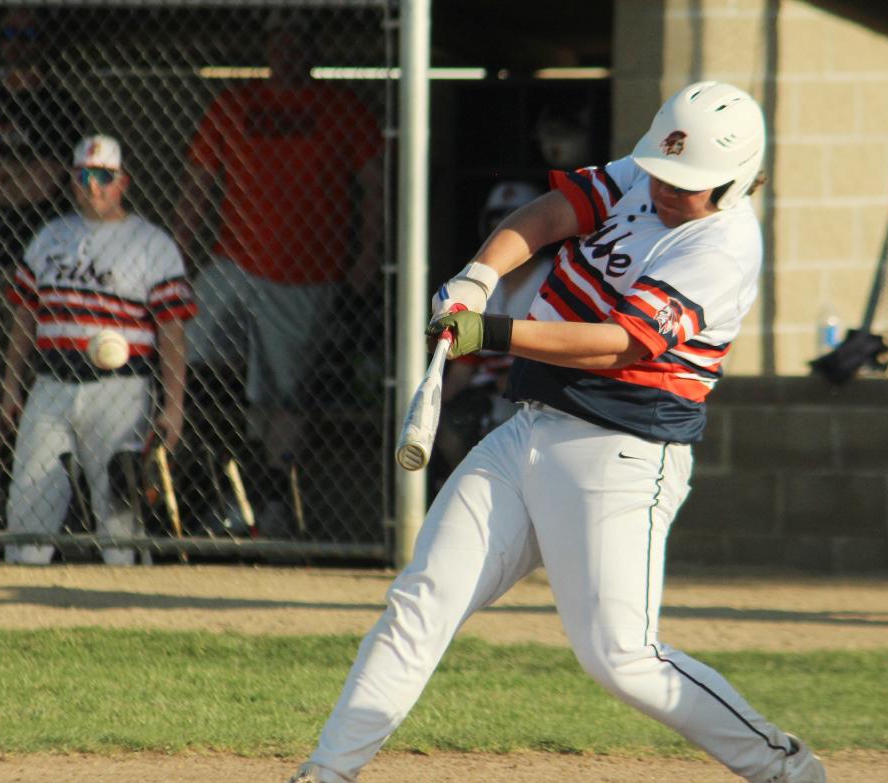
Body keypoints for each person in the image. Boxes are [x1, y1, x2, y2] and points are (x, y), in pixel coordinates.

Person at [288, 82, 827, 783]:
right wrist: (478, 277)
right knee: (421, 599)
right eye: (662, 174)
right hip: (529, 428)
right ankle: (327, 771)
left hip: (624, 453)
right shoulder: (651, 169)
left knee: (620, 656)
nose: (665, 190)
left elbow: (619, 344)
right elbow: (553, 213)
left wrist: (492, 330)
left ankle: (784, 767)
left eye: (686, 184)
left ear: (735, 181)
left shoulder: (723, 247)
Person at [173, 8, 383, 512]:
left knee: (284, 397)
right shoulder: (234, 103)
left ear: (313, 49)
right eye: (279, 41)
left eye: (298, 41)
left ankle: (269, 506)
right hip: (234, 261)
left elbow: (376, 187)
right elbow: (197, 187)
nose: (288, 51)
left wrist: (367, 255)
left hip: (306, 273)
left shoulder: (342, 107)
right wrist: (174, 254)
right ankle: (211, 480)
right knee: (192, 355)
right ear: (266, 48)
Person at [1, 135, 196, 565]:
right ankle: (23, 598)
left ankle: (125, 604)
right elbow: (23, 318)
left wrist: (174, 404)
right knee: (28, 501)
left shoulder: (152, 244)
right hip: (50, 384)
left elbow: (172, 332)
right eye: (84, 176)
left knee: (120, 509)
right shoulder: (49, 236)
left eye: (104, 177)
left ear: (123, 181)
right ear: (71, 179)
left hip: (121, 390)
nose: (94, 187)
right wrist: (12, 385)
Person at [0, 6, 81, 523]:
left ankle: (24, 498)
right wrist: (12, 179)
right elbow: (21, 178)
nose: (18, 43)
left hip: (31, 271)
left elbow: (45, 180)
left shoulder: (57, 106)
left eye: (28, 34)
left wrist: (1, 180)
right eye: (9, 34)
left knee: (19, 384)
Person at [434, 180, 550, 473]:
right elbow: (464, 366)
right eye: (497, 219)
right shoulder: (480, 284)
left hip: (536, 396)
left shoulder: (554, 275)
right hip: (487, 395)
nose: (503, 228)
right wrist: (437, 408)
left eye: (512, 218)